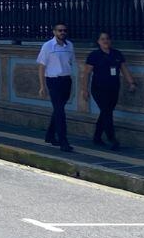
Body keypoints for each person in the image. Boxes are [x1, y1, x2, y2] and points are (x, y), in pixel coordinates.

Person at [80, 32, 137, 150]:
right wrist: (84, 90)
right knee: (107, 112)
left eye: (107, 39)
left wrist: (131, 83)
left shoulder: (117, 54)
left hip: (114, 88)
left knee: (106, 112)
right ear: (98, 41)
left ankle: (97, 137)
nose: (105, 41)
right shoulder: (94, 55)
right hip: (99, 89)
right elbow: (86, 74)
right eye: (102, 39)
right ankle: (112, 139)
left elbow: (124, 69)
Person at [36, 23, 76, 152]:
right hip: (53, 81)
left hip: (66, 80)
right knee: (60, 112)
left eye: (64, 30)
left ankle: (50, 135)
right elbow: (42, 67)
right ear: (54, 32)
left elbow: (71, 62)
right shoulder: (47, 46)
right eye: (59, 30)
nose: (62, 32)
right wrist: (42, 86)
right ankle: (63, 141)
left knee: (59, 109)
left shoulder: (69, 46)